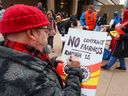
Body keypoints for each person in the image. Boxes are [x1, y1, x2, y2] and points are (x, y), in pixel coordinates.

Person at [0, 4, 84, 96]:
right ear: (32, 33)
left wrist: (51, 62)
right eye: (45, 30)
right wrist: (74, 72)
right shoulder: (39, 82)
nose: (48, 34)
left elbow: (24, 62)